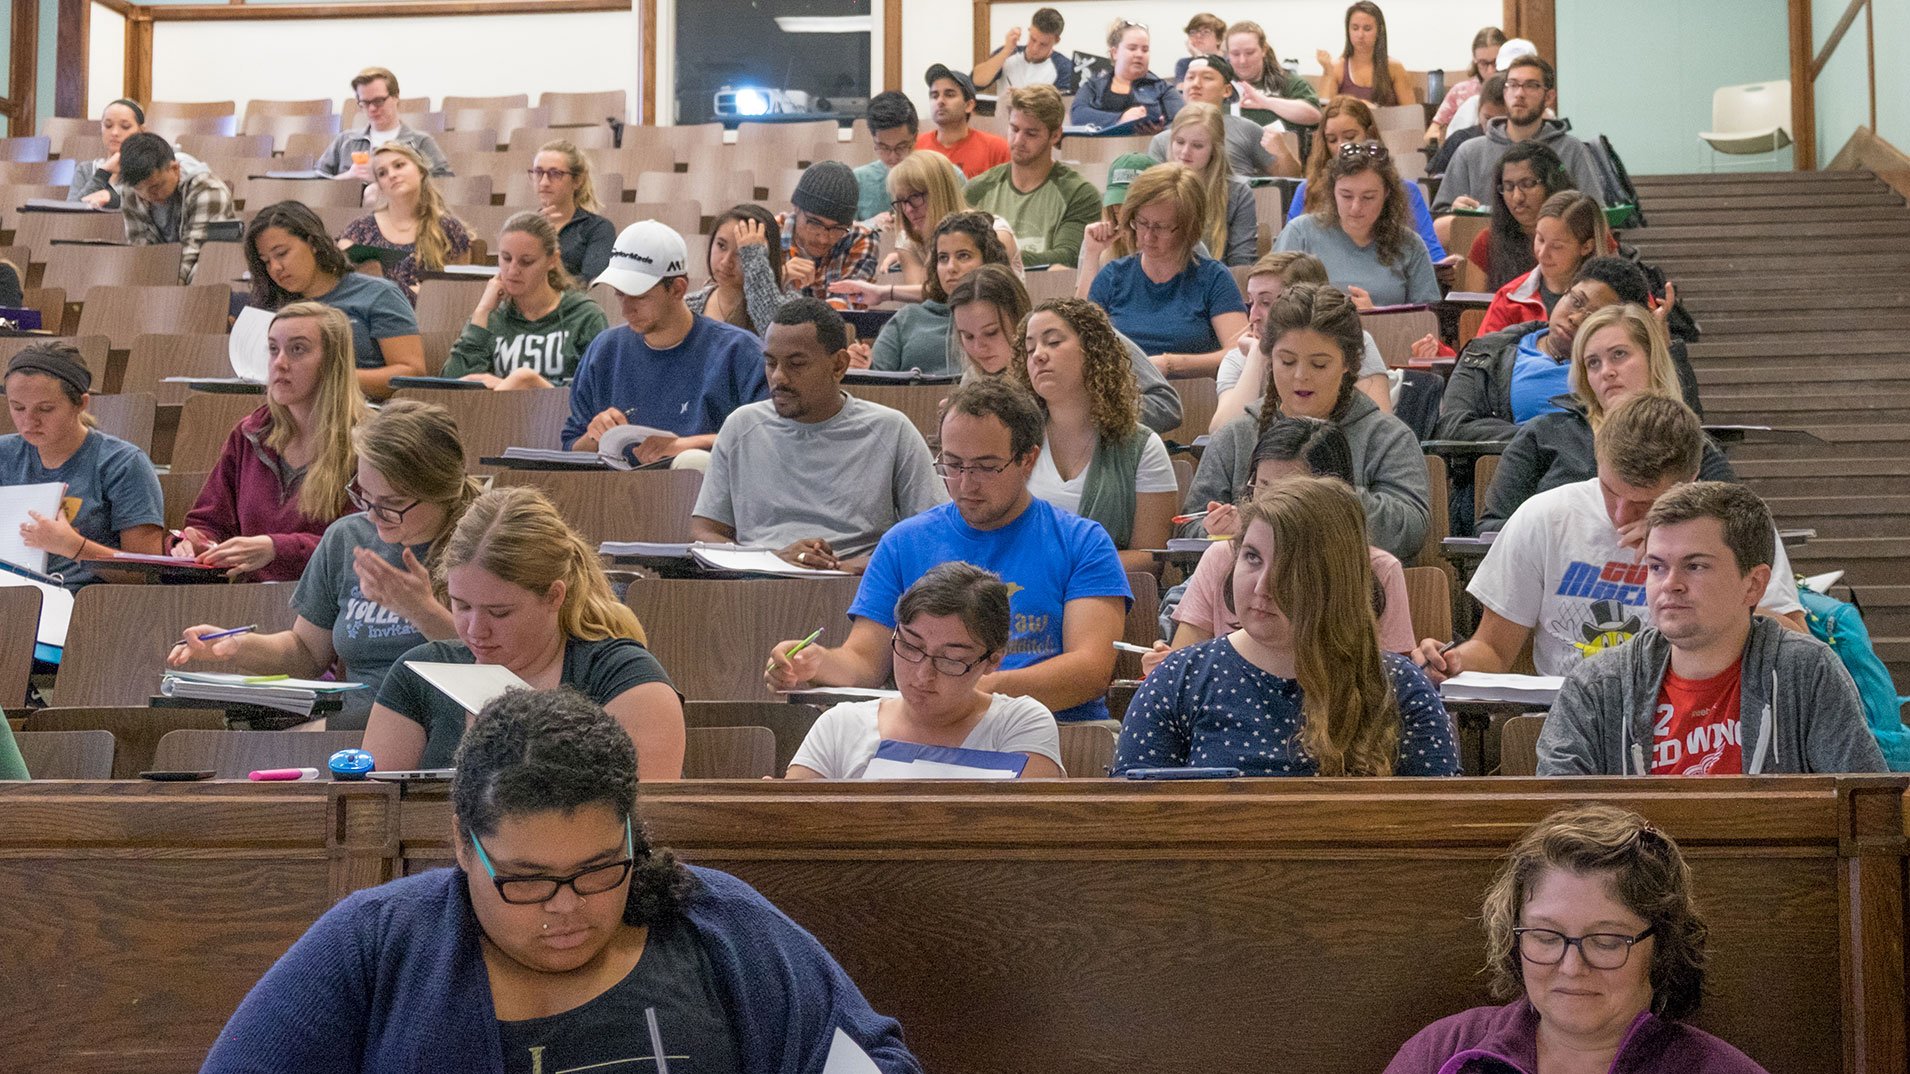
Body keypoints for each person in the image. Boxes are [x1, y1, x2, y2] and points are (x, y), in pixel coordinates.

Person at [201, 688, 922, 1073]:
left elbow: (872, 1057)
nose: (568, 909)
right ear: (462, 842)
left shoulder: (721, 926)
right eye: (526, 880)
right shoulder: (376, 944)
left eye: (600, 869)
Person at [765, 378, 1130, 724]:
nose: (965, 484)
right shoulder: (904, 542)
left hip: (1056, 731)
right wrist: (816, 663)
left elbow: (1090, 669)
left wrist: (975, 691)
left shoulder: (1082, 542)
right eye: (952, 465)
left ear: (1027, 460)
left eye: (987, 467)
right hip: (931, 733)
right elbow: (864, 661)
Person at [1413, 395, 1807, 683]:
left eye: (1644, 502)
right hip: (1572, 714)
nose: (1621, 514)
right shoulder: (1546, 516)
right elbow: (1495, 649)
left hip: (1703, 712)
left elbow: (1798, 644)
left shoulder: (1732, 524)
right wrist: (1450, 663)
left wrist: (1685, 562)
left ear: (1690, 482)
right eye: (1610, 490)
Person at [1385, 804, 1771, 1074]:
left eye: (1605, 941)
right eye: (1546, 937)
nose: (1571, 967)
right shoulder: (1442, 1051)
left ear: (1662, 948)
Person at [1115, 475, 1459, 776]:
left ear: (1334, 581)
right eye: (1252, 557)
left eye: (1289, 567)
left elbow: (1438, 828)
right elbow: (1133, 824)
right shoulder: (1180, 679)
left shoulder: (1400, 690)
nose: (1262, 586)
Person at [168, 401, 481, 730]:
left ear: (443, 490)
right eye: (364, 495)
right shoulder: (348, 537)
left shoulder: (479, 541)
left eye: (392, 504)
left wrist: (422, 611)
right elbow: (305, 654)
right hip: (352, 726)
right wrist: (236, 647)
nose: (373, 516)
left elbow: (497, 669)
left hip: (446, 725)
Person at [1538, 483, 1886, 777]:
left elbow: (1866, 811)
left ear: (1753, 584)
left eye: (1695, 566)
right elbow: (1557, 826)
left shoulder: (1807, 674)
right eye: (1657, 567)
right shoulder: (1597, 686)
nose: (1670, 585)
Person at [364, 486, 684, 777]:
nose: (475, 630)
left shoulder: (625, 679)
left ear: (554, 596)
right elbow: (371, 818)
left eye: (499, 612)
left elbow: (642, 828)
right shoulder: (417, 675)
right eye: (461, 606)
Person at [1146, 418, 1416, 676]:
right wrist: (1166, 667)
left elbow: (1391, 684)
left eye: (1289, 491)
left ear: (1334, 497)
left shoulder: (1378, 569)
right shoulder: (1222, 558)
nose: (1273, 503)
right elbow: (1184, 664)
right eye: (1263, 486)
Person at [691, 298, 943, 572]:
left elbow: (935, 532)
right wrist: (771, 559)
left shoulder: (891, 430)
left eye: (796, 364)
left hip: (859, 589)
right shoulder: (741, 426)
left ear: (838, 366)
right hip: (758, 585)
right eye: (771, 363)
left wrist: (868, 567)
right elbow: (703, 533)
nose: (778, 377)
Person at [1182, 283, 1429, 561]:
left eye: (1319, 364)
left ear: (1348, 362)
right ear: (1269, 358)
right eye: (1287, 362)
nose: (1301, 376)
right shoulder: (1238, 435)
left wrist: (1316, 491)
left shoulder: (1386, 437)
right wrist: (1219, 529)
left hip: (1350, 595)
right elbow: (1190, 526)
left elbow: (1409, 530)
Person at [788, 563, 1064, 778]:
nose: (923, 675)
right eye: (910, 647)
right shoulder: (841, 725)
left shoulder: (1018, 724)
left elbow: (1026, 830)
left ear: (993, 660)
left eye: (951, 660)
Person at [1481, 304, 1732, 532]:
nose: (1607, 372)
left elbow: (1733, 524)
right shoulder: (1543, 433)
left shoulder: (1691, 443)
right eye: (1593, 363)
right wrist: (1570, 538)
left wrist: (1664, 531)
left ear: (1652, 359)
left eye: (1619, 355)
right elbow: (1489, 528)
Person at [172, 302, 367, 582]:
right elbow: (207, 523)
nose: (280, 363)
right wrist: (195, 543)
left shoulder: (368, 442)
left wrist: (277, 549)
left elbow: (367, 545)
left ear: (332, 361)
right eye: (273, 349)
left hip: (330, 607)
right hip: (247, 602)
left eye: (297, 349)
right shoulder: (250, 433)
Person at [562, 221, 767, 463]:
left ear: (678, 289)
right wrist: (594, 436)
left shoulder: (739, 352)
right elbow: (570, 449)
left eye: (640, 296)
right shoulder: (604, 350)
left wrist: (687, 446)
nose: (626, 309)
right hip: (619, 493)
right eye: (619, 293)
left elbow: (768, 437)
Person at [1010, 299, 1176, 570]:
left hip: (1109, 603)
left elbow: (1150, 560)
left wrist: (1062, 568)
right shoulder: (1011, 441)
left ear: (1093, 350)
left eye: (1053, 342)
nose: (1038, 355)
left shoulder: (1142, 448)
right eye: (1030, 348)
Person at [1434, 256, 1652, 443]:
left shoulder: (1622, 370)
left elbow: (1660, 427)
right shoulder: (1487, 352)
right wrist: (1543, 441)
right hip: (1496, 474)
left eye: (1593, 317)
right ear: (1565, 292)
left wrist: (1660, 345)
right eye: (1576, 301)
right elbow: (1452, 427)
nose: (1575, 318)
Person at [1, 343, 163, 587]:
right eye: (18, 407)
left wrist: (74, 547)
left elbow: (145, 574)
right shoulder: (4, 453)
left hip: (88, 606)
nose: (29, 421)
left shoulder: (124, 464)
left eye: (45, 409)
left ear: (81, 403)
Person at [951, 264, 1183, 433]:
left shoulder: (1084, 336)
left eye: (992, 332)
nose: (979, 347)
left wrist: (1085, 413)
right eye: (967, 336)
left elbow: (1167, 406)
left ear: (1019, 316)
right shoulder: (973, 380)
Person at [243, 200, 427, 399]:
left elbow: (412, 374)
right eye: (266, 261)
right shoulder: (273, 306)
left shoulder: (378, 294)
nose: (275, 268)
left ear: (313, 243)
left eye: (282, 254)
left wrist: (329, 379)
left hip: (365, 416)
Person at [1085, 162, 1249, 376]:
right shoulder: (1112, 277)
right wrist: (1091, 255)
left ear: (1189, 228)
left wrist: (1169, 364)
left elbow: (1240, 352)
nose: (1147, 236)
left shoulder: (1213, 278)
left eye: (1161, 227)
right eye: (1141, 222)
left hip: (1195, 398)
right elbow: (1082, 345)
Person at [1212, 251, 1392, 426]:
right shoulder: (1239, 357)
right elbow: (1223, 434)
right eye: (1251, 302)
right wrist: (1258, 355)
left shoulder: (1352, 341)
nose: (1253, 316)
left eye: (1266, 303)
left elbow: (1381, 426)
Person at [443, 212, 608, 389]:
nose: (513, 270)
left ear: (552, 260)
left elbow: (598, 389)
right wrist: (482, 312)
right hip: (496, 414)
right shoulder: (490, 315)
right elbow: (454, 389)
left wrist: (520, 386)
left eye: (526, 261)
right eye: (506, 258)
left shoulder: (585, 316)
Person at [1433, 54, 1608, 212]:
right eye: (1513, 85)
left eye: (1531, 85)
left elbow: (1596, 216)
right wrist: (1455, 211)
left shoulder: (1572, 150)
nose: (1519, 94)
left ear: (1549, 97)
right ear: (1505, 92)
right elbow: (1440, 222)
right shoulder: (1470, 152)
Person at [1274, 141, 1440, 308]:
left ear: (1387, 194)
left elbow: (1427, 318)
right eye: (1346, 196)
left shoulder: (1410, 245)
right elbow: (1272, 302)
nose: (1356, 207)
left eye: (1368, 197)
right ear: (1333, 191)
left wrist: (1376, 314)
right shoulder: (1300, 232)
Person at [845, 151, 1017, 307]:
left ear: (941, 192)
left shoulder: (995, 232)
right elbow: (929, 302)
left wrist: (884, 293)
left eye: (915, 197)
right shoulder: (908, 240)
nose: (908, 209)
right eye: (902, 201)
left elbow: (973, 294)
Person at [1285, 97, 1447, 261]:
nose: (1341, 146)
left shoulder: (1407, 191)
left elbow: (1432, 255)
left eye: (1350, 137)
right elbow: (1287, 258)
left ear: (1369, 134)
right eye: (1332, 140)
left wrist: (1446, 268)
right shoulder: (1308, 190)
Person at [963, 84, 1101, 269]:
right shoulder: (977, 189)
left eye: (1031, 133)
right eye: (1014, 129)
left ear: (1055, 135)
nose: (1018, 140)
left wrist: (994, 254)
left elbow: (1067, 256)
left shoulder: (1079, 193)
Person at [870, 211, 1011, 374]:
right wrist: (863, 365)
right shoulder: (907, 319)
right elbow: (876, 381)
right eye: (943, 258)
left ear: (988, 259)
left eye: (963, 256)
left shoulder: (1007, 315)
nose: (951, 267)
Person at [339, 142, 472, 302]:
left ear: (421, 171)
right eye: (382, 173)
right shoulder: (359, 230)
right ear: (380, 186)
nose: (392, 175)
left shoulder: (449, 228)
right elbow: (344, 289)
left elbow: (458, 295)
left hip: (429, 320)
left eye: (399, 165)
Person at [1476, 190, 1610, 335]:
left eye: (1557, 246)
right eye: (1540, 239)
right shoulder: (1510, 297)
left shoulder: (1607, 303)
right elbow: (1485, 351)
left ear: (1586, 247)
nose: (1543, 253)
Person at [116, 132, 237, 285]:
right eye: (140, 189)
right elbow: (141, 248)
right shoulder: (130, 191)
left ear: (175, 169)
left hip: (208, 272)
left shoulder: (208, 190)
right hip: (164, 273)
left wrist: (165, 293)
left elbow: (194, 253)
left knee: (199, 271)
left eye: (155, 186)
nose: (148, 195)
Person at [1148, 56, 1295, 179]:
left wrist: (1282, 152)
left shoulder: (1247, 130)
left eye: (1207, 78)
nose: (1196, 84)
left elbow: (1291, 179)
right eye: (1190, 77)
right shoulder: (1162, 140)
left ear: (1227, 90)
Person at [1149, 103, 1256, 266]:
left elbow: (1241, 264)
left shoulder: (1238, 193)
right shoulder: (1152, 189)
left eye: (1197, 146)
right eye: (1179, 142)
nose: (1185, 152)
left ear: (1215, 149)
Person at [315, 66, 453, 184]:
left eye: (379, 101)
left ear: (396, 97)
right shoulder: (346, 140)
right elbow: (315, 182)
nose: (372, 109)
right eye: (365, 103)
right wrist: (348, 178)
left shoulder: (419, 142)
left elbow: (444, 182)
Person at [1471, 140, 1574, 290]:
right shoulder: (1487, 241)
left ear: (1551, 183)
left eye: (1527, 184)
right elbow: (1473, 311)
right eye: (1508, 187)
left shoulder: (1587, 232)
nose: (1517, 197)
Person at [686, 204, 797, 338]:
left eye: (741, 253)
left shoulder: (790, 306)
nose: (726, 261)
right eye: (721, 245)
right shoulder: (689, 305)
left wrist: (752, 255)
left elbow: (776, 337)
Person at [778, 161, 881, 304]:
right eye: (815, 224)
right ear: (796, 207)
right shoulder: (766, 233)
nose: (824, 239)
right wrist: (778, 278)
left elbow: (845, 311)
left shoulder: (861, 239)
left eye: (837, 229)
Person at [528, 138, 616, 282]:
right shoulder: (523, 227)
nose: (543, 182)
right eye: (538, 172)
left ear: (577, 180)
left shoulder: (598, 229)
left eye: (555, 174)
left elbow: (591, 283)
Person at [1071, 20, 1182, 131]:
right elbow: (1078, 114)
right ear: (1115, 53)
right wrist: (1120, 119)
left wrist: (1162, 132)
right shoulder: (1094, 86)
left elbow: (1184, 122)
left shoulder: (1163, 88)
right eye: (1132, 48)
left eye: (1145, 50)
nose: (1139, 54)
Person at [852, 92, 935, 226]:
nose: (893, 157)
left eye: (901, 147)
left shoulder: (943, 174)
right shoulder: (858, 180)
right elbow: (841, 231)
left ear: (915, 137)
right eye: (883, 147)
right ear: (873, 140)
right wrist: (870, 224)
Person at [1223, 21, 1325, 130]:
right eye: (1235, 54)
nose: (1242, 60)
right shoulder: (1220, 83)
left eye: (1250, 53)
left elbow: (1315, 116)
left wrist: (1266, 102)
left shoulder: (1287, 81)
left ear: (1263, 50)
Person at [915, 65, 1009, 180]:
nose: (940, 101)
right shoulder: (914, 147)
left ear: (969, 105)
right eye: (934, 96)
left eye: (949, 95)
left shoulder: (997, 149)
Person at [1316, 1, 1413, 106]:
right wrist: (1327, 71)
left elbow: (1411, 114)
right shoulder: (1336, 68)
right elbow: (1326, 113)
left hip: (1386, 122)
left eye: (1367, 29)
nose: (1360, 35)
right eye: (1355, 28)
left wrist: (1375, 112)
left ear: (1379, 31)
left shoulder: (1394, 67)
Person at [1424, 26, 1506, 145]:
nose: (1490, 70)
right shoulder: (1460, 91)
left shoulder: (1515, 90)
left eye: (1496, 62)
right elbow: (1432, 132)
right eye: (1483, 63)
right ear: (1474, 61)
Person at [971, 6, 1074, 92]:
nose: (1035, 48)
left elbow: (1063, 108)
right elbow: (975, 82)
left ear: (1056, 40)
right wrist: (1006, 51)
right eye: (1033, 39)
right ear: (1029, 30)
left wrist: (1023, 99)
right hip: (1004, 116)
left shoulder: (1064, 68)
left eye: (1043, 44)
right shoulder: (1008, 53)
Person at [67, 98, 146, 208]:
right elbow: (69, 212)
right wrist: (102, 174)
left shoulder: (148, 169)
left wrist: (113, 199)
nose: (115, 133)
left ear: (141, 131)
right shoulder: (85, 169)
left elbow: (148, 207)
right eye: (108, 125)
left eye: (125, 127)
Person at [1174, 13, 1227, 82]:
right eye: (1193, 32)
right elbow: (1180, 89)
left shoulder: (1231, 61)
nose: (1198, 35)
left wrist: (1200, 57)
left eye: (1206, 32)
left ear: (1219, 39)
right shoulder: (1184, 63)